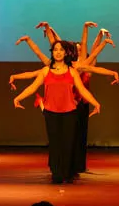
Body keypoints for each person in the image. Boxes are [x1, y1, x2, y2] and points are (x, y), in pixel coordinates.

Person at [12, 40, 100, 184]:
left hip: (70, 112)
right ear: (52, 53)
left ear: (65, 53)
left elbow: (82, 90)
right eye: (55, 50)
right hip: (51, 112)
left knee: (68, 142)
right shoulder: (46, 71)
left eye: (61, 50)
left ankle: (67, 172)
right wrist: (18, 98)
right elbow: (33, 87)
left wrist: (95, 103)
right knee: (55, 143)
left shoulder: (72, 71)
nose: (58, 52)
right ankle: (56, 172)